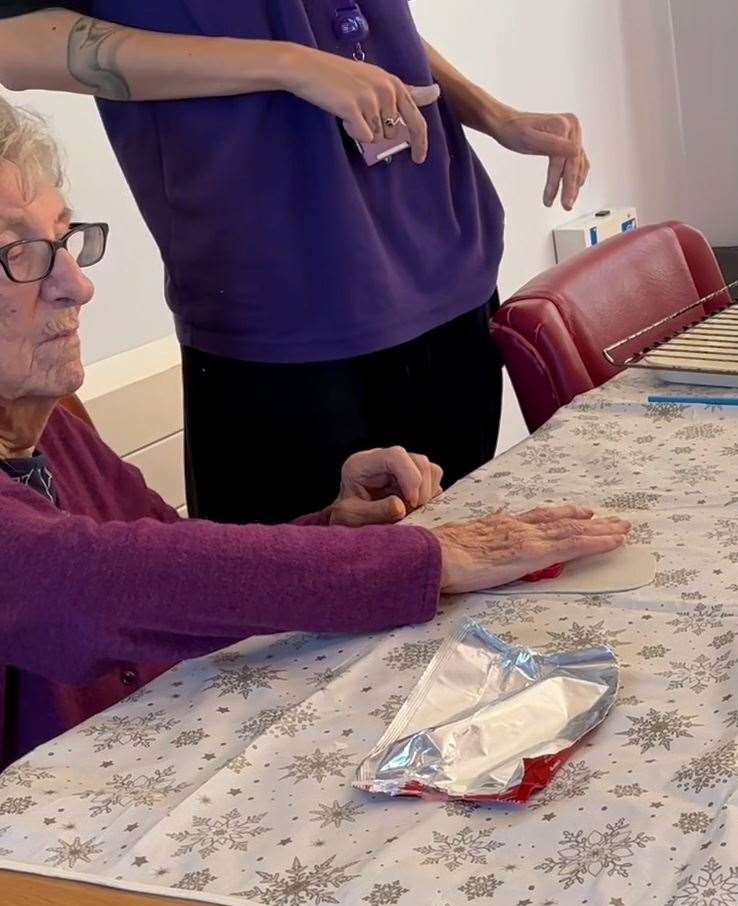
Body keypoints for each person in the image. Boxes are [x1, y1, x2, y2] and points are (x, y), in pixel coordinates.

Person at [0, 97, 628, 768]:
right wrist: (431, 559)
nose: (76, 285)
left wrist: (332, 531)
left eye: (65, 240)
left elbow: (177, 582)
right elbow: (94, 584)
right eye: (19, 254)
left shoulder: (53, 430)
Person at [0, 1, 591, 525]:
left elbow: (354, 30)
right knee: (286, 631)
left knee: (473, 594)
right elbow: (16, 42)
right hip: (278, 311)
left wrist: (490, 113)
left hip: (443, 262)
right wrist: (288, 64)